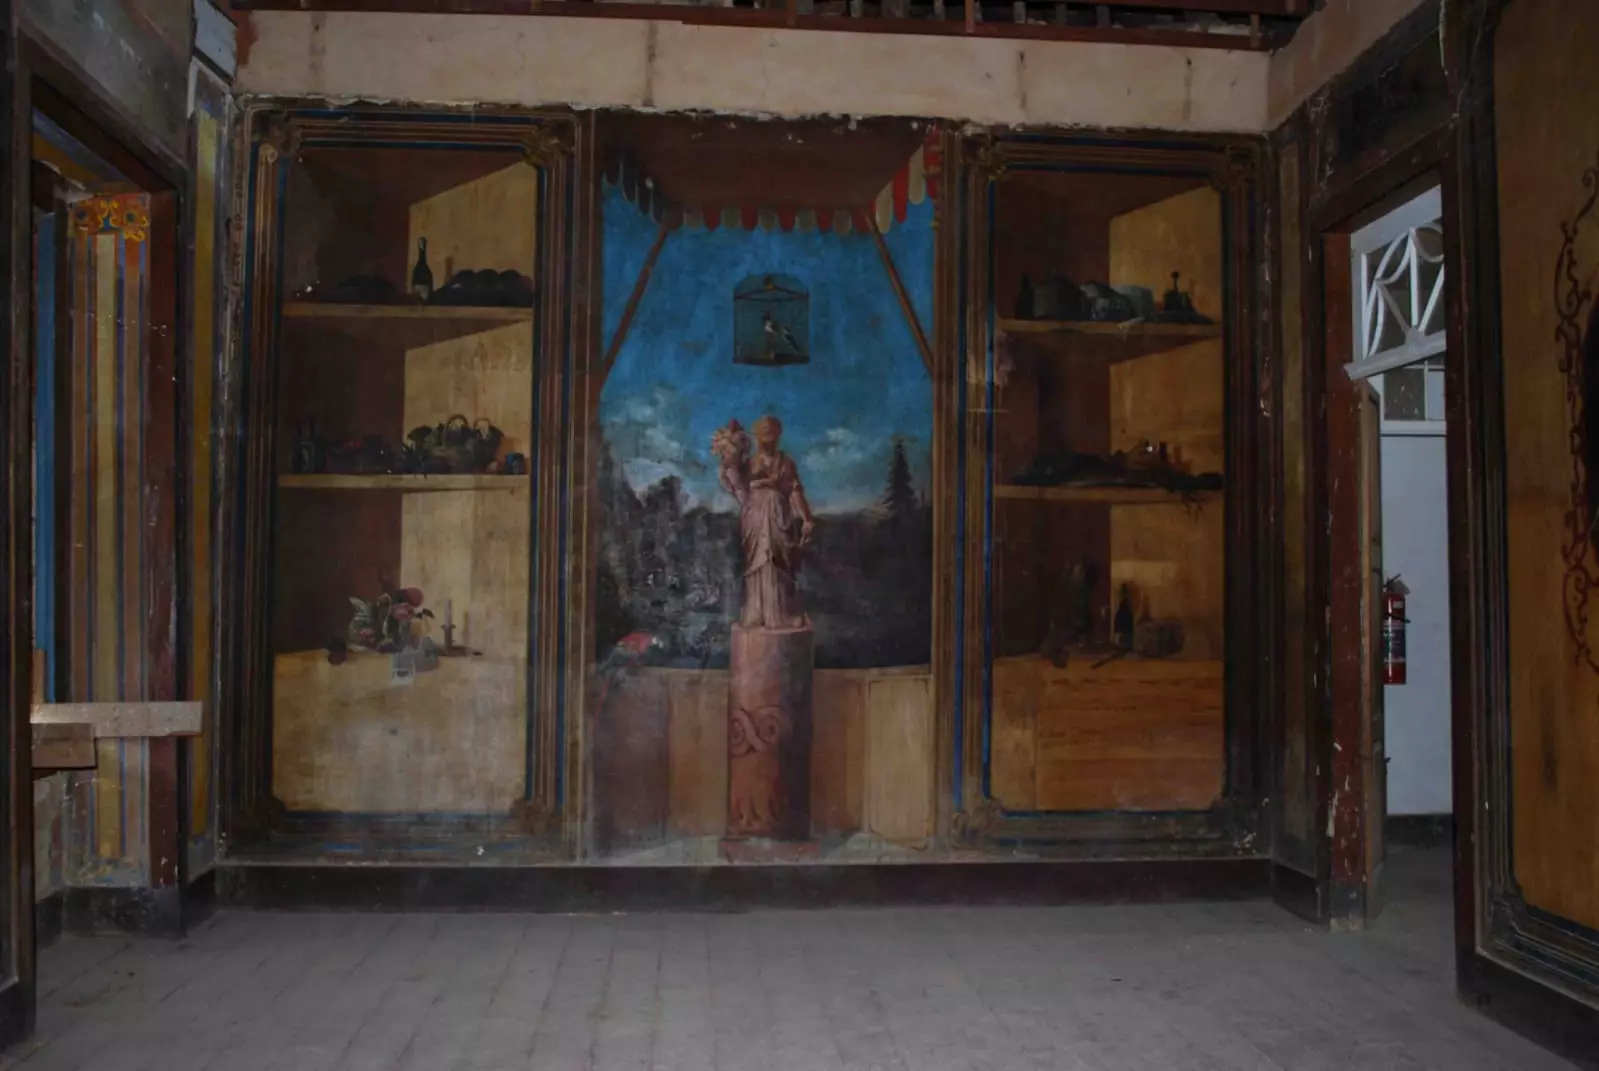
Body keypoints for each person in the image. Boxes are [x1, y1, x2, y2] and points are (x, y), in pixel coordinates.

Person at [715, 414, 814, 629]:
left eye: (772, 430)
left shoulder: (786, 462)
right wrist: (728, 452)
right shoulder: (749, 463)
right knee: (758, 562)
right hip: (755, 515)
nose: (768, 433)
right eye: (764, 429)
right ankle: (756, 613)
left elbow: (795, 491)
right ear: (757, 434)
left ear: (778, 434)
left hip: (780, 515)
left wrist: (806, 518)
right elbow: (734, 481)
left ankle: (781, 614)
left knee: (779, 562)